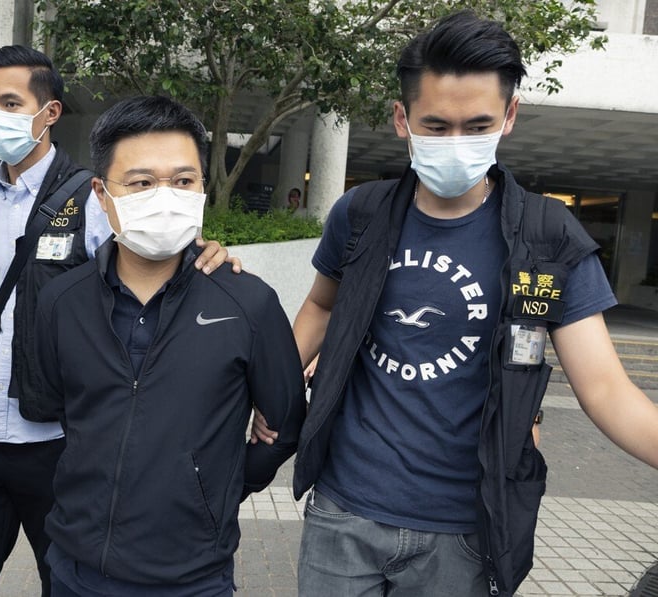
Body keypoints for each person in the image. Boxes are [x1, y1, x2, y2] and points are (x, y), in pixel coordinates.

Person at [256, 11, 658, 596]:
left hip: (465, 530)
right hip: (344, 512)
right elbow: (321, 307)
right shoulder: (361, 215)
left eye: (477, 125)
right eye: (436, 126)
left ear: (509, 116)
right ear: (402, 119)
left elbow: (606, 390)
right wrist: (270, 389)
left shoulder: (546, 238)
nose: (455, 143)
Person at [0, 47, 237, 597]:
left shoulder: (92, 197)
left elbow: (152, 273)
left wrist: (208, 255)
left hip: (58, 435)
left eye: (10, 103)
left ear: (50, 112)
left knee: (64, 577)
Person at [31, 95, 307, 596]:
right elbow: (55, 410)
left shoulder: (248, 302)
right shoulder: (60, 301)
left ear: (201, 188)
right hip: (75, 571)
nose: (165, 196)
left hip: (193, 579)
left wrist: (217, 490)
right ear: (101, 194)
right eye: (141, 182)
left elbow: (284, 426)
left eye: (183, 181)